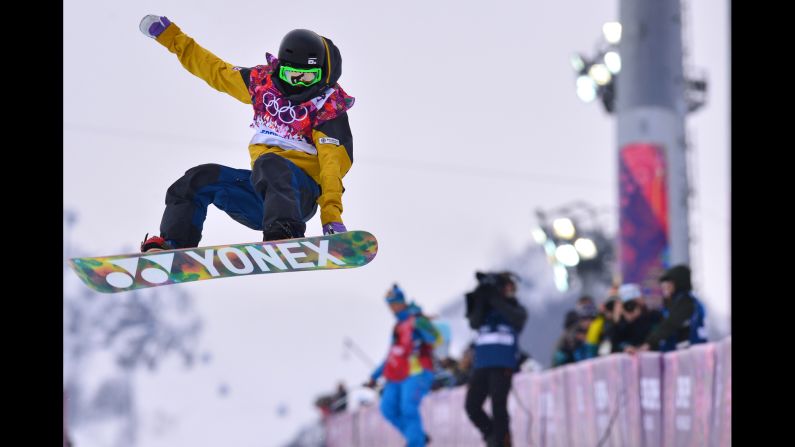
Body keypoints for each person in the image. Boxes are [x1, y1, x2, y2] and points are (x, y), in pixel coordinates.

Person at [137, 16, 355, 251]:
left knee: (271, 163)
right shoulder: (263, 85)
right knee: (198, 178)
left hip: (300, 196)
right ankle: (174, 244)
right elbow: (213, 69)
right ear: (280, 68)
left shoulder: (328, 107)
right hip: (262, 194)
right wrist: (170, 36)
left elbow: (332, 167)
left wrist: (331, 218)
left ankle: (285, 231)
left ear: (321, 73)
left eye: (307, 77)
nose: (298, 83)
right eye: (291, 75)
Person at [366, 285, 438, 447]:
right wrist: (374, 376)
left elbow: (434, 339)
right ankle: (417, 436)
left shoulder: (416, 320)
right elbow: (391, 356)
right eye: (390, 304)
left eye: (394, 303)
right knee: (387, 408)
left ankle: (415, 442)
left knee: (408, 408)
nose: (392, 308)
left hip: (417, 371)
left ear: (402, 302)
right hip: (396, 375)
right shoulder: (398, 326)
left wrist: (422, 326)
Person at [464, 272, 528, 447]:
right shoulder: (484, 311)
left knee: (498, 406)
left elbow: (518, 319)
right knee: (472, 406)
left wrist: (496, 299)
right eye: (507, 286)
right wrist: (482, 296)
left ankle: (502, 442)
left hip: (503, 363)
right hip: (482, 364)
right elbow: (474, 322)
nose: (511, 290)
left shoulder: (515, 309)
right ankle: (493, 437)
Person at [627, 265, 707, 353]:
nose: (664, 287)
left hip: (692, 354)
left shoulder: (686, 302)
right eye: (663, 284)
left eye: (668, 283)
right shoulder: (672, 304)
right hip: (681, 354)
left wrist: (649, 344)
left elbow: (669, 324)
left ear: (678, 283)